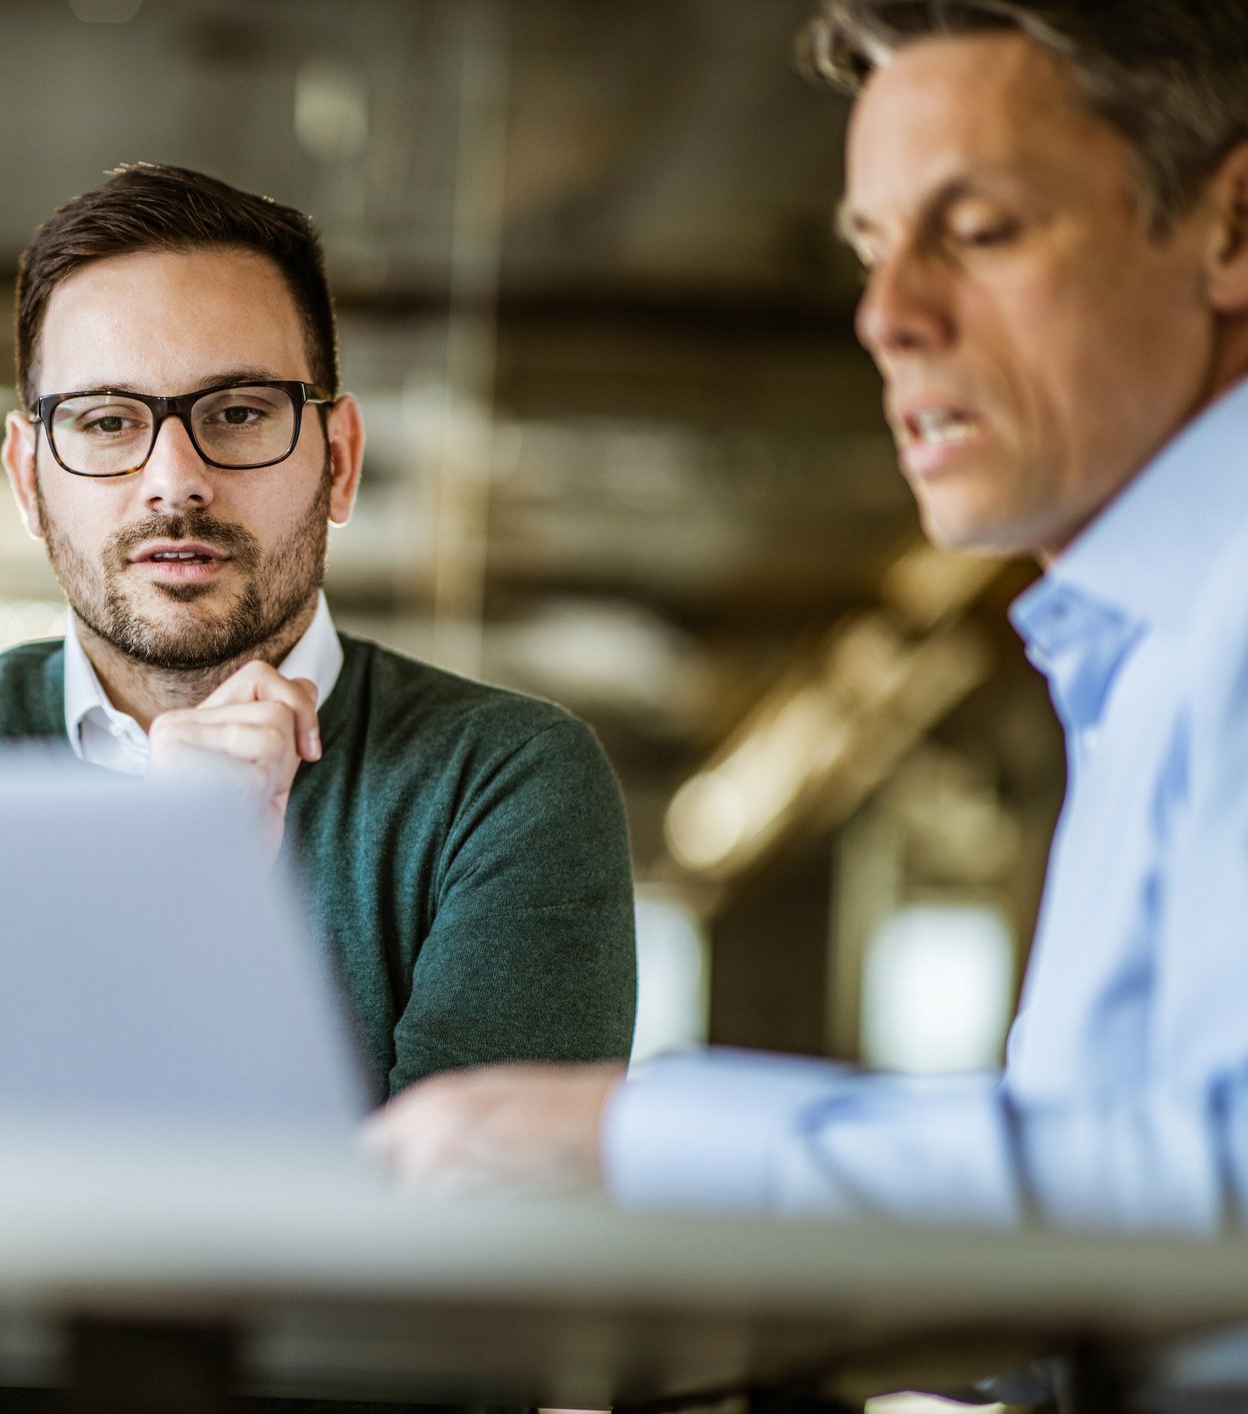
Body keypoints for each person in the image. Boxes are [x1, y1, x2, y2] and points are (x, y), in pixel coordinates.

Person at [366, 0, 1248, 1236]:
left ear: (1232, 227)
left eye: (981, 231)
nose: (888, 318)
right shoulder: (1141, 648)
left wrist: (641, 1147)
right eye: (871, 250)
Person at [0, 163, 637, 1413]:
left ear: (337, 461)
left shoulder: (505, 784)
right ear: (30, 477)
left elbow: (454, 1308)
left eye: (239, 413)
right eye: (105, 420)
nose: (171, 479)